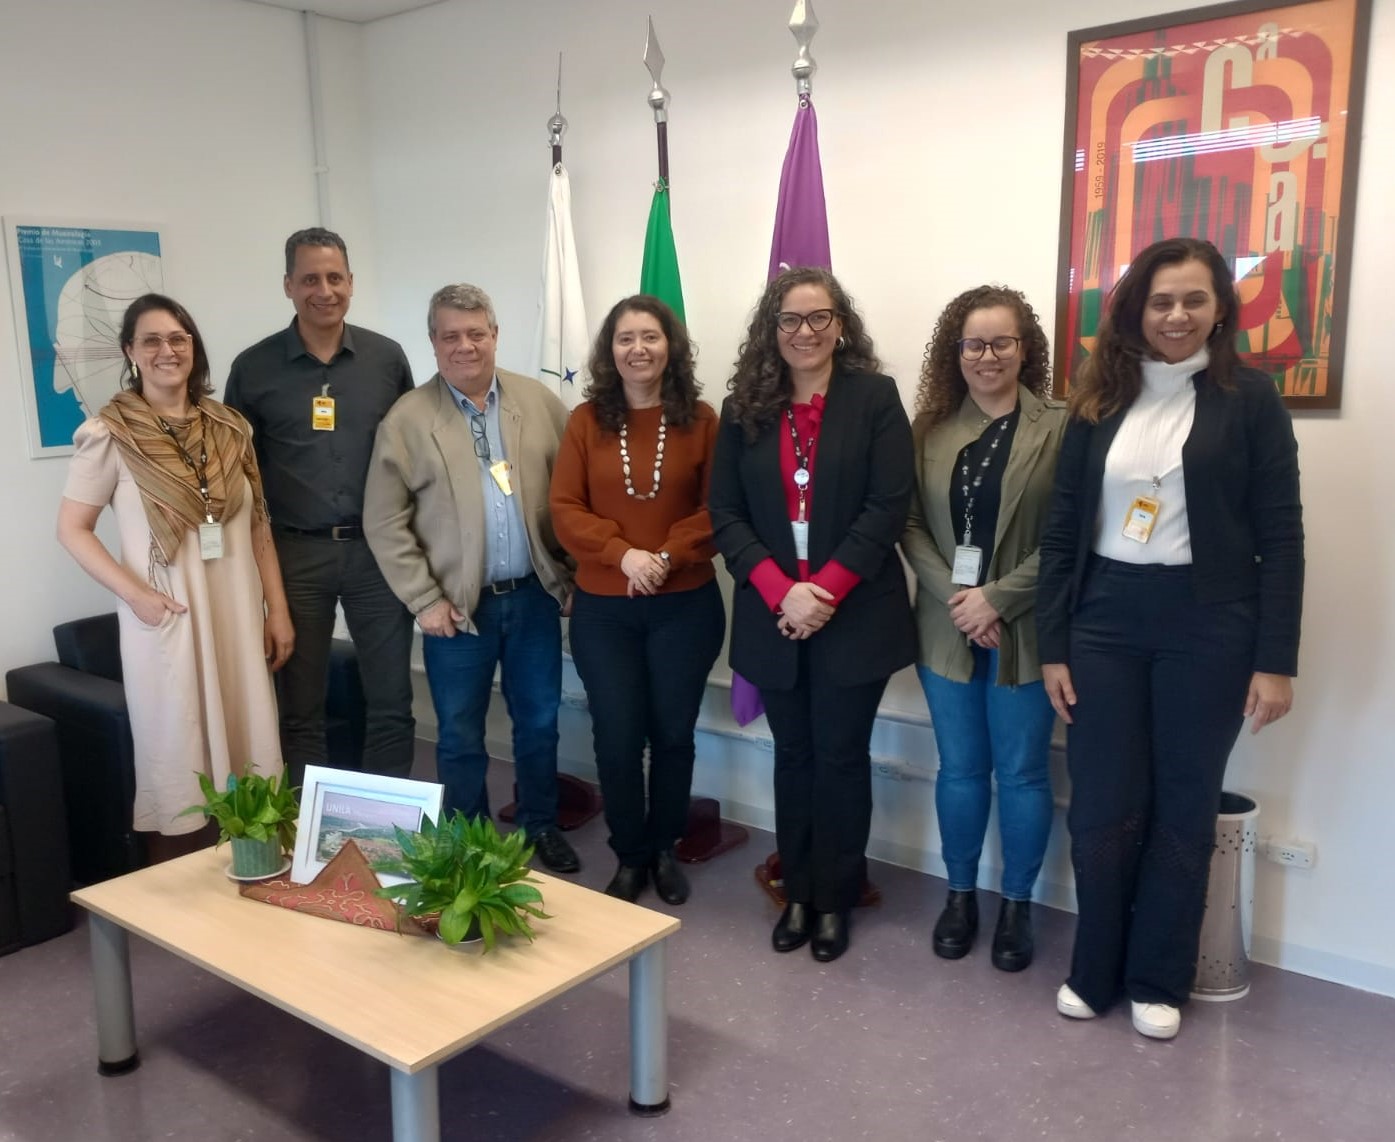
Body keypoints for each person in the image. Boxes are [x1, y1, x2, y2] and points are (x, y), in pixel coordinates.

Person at [1037, 237, 1304, 1040]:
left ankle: (1159, 979)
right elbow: (1059, 532)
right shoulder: (1095, 403)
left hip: (1209, 621)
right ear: (1134, 311)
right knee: (1102, 806)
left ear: (1220, 307)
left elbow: (1281, 535)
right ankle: (1095, 969)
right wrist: (1054, 643)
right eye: (1160, 301)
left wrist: (1275, 661)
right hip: (1105, 618)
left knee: (1182, 807)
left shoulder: (1250, 400)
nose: (1176, 315)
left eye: (1192, 300)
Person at [709, 267, 914, 962]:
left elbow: (887, 505)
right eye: (790, 320)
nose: (805, 332)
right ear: (772, 330)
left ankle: (836, 897)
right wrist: (779, 590)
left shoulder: (875, 398)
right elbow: (726, 514)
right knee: (792, 757)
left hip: (851, 612)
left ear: (840, 324)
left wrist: (820, 589)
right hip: (774, 613)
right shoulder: (744, 407)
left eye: (818, 318)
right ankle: (796, 890)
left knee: (839, 758)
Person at [57, 294, 290, 861]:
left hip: (235, 611)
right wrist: (136, 595)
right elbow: (72, 530)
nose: (168, 351)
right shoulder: (108, 434)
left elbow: (259, 524)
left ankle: (254, 872)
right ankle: (184, 897)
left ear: (194, 348)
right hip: (166, 618)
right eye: (153, 340)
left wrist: (276, 610)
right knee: (179, 751)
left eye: (179, 339)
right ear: (130, 352)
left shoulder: (232, 428)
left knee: (248, 741)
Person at [363, 283, 581, 874]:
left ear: (494, 334)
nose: (465, 346)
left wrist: (573, 574)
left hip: (534, 599)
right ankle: (471, 845)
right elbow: (384, 521)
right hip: (456, 611)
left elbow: (574, 496)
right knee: (459, 735)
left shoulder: (538, 403)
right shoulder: (407, 419)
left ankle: (539, 825)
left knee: (538, 723)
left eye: (476, 333)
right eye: (451, 335)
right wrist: (423, 599)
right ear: (433, 342)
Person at [902, 286, 1066, 972]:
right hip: (945, 633)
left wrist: (995, 599)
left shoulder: (1061, 426)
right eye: (973, 343)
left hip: (1024, 634)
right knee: (961, 770)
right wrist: (959, 600)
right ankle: (960, 896)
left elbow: (1066, 536)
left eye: (1001, 342)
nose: (987, 355)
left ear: (1023, 349)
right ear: (955, 352)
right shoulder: (930, 429)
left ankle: (1018, 905)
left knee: (1024, 775)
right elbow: (907, 526)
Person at [224, 228, 416, 788]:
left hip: (377, 554)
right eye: (310, 278)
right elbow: (241, 479)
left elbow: (411, 453)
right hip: (294, 558)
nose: (324, 290)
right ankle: (312, 837)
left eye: (335, 278)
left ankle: (391, 835)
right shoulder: (253, 368)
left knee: (391, 702)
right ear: (288, 286)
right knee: (300, 709)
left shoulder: (387, 358)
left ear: (351, 283)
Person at [550, 296, 724, 904]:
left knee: (673, 734)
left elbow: (717, 511)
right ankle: (630, 853)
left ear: (669, 346)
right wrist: (623, 554)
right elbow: (565, 508)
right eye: (625, 339)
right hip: (605, 608)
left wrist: (667, 557)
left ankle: (666, 847)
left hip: (685, 606)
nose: (638, 349)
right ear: (610, 351)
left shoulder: (701, 419)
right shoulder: (584, 421)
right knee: (618, 735)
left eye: (650, 337)